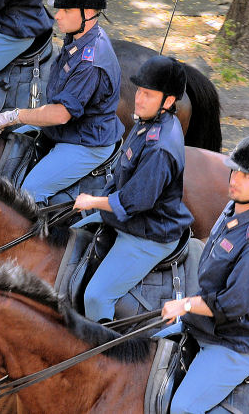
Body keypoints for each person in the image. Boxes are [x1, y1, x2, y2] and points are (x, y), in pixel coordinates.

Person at [160, 135, 249, 414]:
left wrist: (186, 304)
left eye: (247, 175)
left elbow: (232, 305)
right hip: (202, 323)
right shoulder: (233, 208)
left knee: (182, 408)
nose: (235, 179)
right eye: (235, 171)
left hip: (232, 343)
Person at [71, 55, 194, 322]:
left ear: (168, 101)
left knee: (97, 296)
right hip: (127, 218)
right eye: (138, 90)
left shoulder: (161, 148)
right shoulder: (146, 121)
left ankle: (101, 355)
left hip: (148, 233)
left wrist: (93, 201)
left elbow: (132, 202)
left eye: (148, 94)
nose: (138, 98)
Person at [0, 0, 124, 205]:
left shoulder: (91, 62)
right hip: (68, 126)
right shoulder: (77, 35)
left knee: (27, 194)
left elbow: (61, 115)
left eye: (66, 10)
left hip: (86, 141)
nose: (57, 16)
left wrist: (16, 115)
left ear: (89, 13)